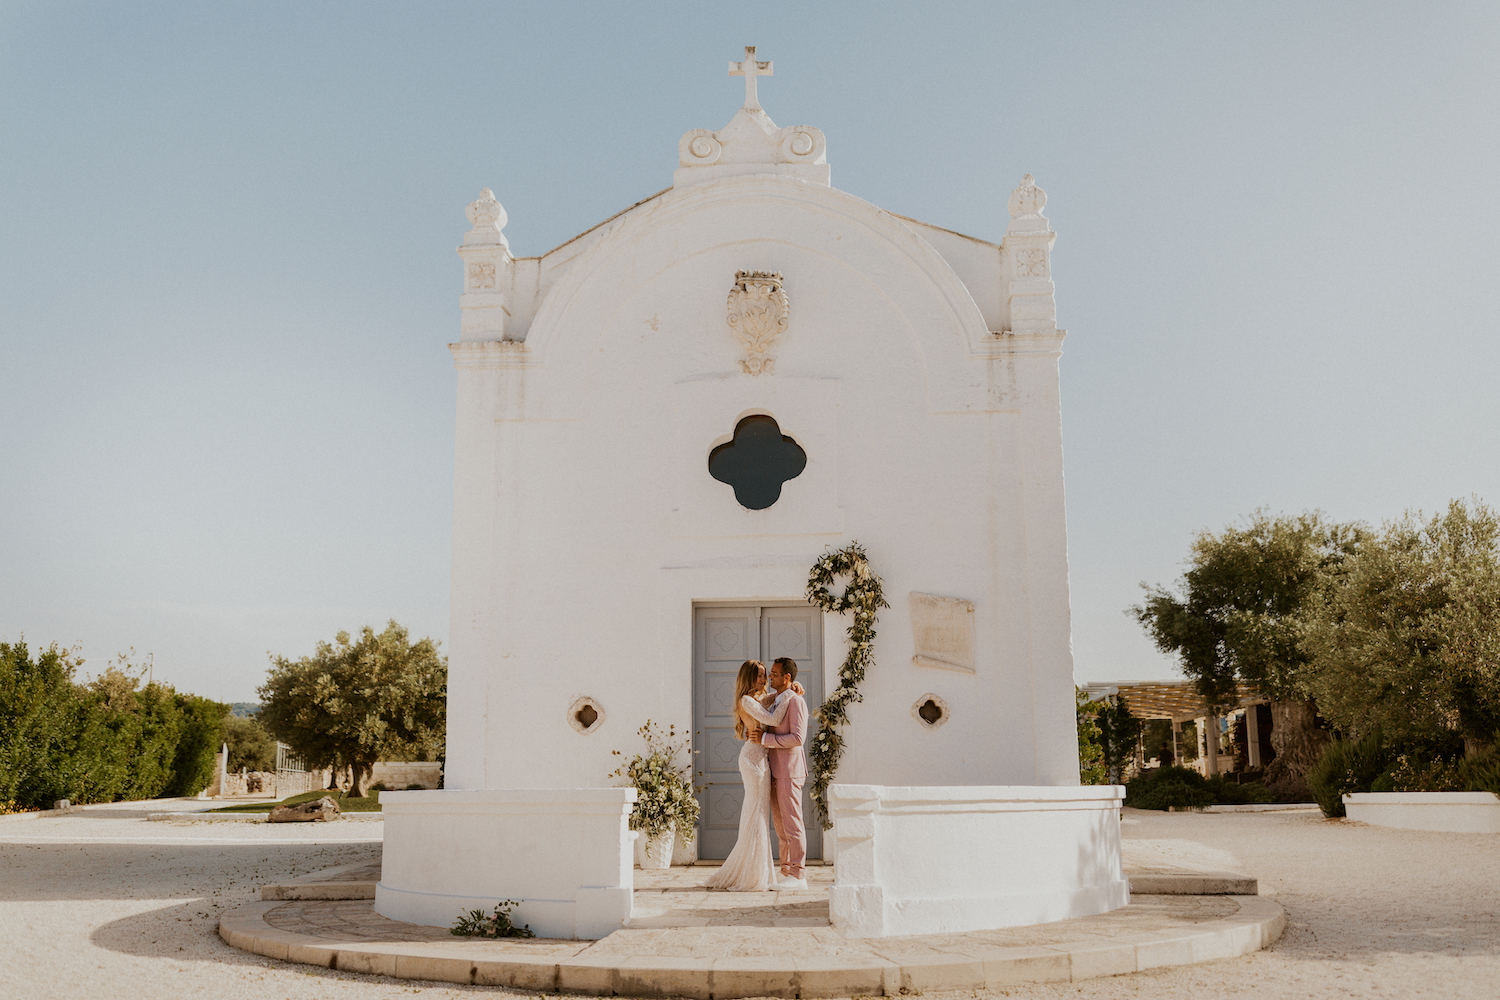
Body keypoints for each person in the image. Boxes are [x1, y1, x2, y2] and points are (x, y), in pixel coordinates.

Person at [703, 659, 803, 891]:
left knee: (759, 813)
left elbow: (774, 700)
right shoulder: (746, 701)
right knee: (756, 812)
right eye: (758, 675)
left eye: (765, 675)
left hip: (761, 758)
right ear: (747, 677)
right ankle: (752, 875)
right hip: (753, 759)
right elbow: (773, 718)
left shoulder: (758, 699)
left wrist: (793, 689)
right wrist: (790, 694)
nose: (763, 680)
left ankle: (758, 871)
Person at [751, 656, 809, 889]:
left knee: (793, 823)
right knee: (781, 825)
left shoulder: (796, 702)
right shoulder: (779, 698)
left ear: (787, 676)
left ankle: (798, 875)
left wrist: (766, 738)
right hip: (775, 770)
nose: (770, 677)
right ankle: (787, 871)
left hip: (790, 772)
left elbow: (797, 738)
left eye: (774, 673)